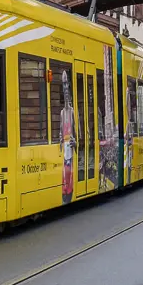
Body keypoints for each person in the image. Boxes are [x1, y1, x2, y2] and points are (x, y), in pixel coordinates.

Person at [60, 71, 76, 204]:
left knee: (69, 172)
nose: (66, 93)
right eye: (63, 90)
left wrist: (74, 142)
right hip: (64, 150)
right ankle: (64, 190)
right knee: (64, 173)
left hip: (70, 148)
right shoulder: (61, 113)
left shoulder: (72, 111)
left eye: (67, 90)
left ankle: (69, 191)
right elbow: (60, 131)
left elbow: (77, 132)